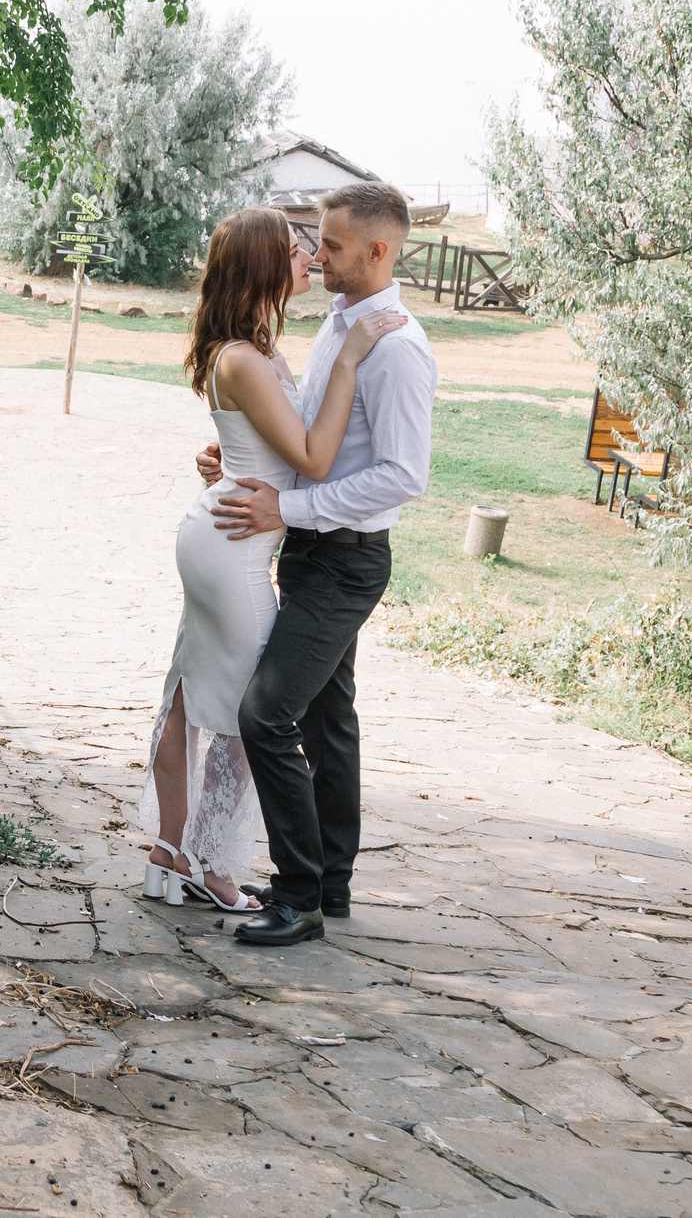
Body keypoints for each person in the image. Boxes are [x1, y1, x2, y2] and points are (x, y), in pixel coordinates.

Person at [142, 207, 406, 913]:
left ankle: (171, 852)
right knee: (244, 712)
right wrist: (350, 356)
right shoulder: (247, 358)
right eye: (296, 248)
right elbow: (314, 455)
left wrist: (225, 463)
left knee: (191, 692)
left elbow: (263, 447)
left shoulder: (254, 351)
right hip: (235, 549)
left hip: (227, 536)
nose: (310, 257)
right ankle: (211, 864)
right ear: (264, 263)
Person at [201, 182, 437, 947]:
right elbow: (312, 438)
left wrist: (287, 509)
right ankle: (329, 881)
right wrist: (241, 469)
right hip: (309, 552)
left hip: (345, 561)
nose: (317, 255)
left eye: (331, 246)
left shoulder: (397, 346)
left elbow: (404, 474)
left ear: (377, 251)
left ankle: (298, 894)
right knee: (331, 721)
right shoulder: (340, 323)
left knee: (265, 712)